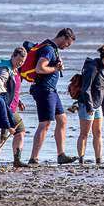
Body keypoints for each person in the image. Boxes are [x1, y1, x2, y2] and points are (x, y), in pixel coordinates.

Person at [28, 28, 78, 165]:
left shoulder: (52, 48)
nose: (67, 47)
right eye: (67, 44)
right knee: (45, 123)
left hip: (51, 90)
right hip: (44, 90)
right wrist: (56, 69)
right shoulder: (48, 49)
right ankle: (33, 158)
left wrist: (57, 66)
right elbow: (40, 68)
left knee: (62, 120)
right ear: (63, 37)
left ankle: (61, 155)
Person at [75, 46, 104, 165]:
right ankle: (81, 159)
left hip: (98, 106)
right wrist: (89, 107)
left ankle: (99, 159)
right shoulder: (92, 67)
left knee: (98, 132)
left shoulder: (103, 69)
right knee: (84, 133)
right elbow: (86, 88)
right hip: (86, 105)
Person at [0, 47, 28, 167]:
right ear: (12, 56)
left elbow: (12, 90)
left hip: (12, 108)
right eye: (18, 60)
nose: (20, 63)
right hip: (4, 109)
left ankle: (16, 160)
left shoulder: (15, 70)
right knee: (2, 137)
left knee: (19, 131)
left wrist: (18, 101)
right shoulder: (5, 71)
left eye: (22, 62)